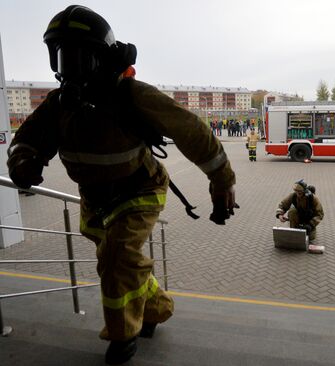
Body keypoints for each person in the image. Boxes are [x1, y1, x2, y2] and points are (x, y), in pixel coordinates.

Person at [6, 6, 236, 365]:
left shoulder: (131, 95)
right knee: (122, 261)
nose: (73, 68)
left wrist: (222, 182)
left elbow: (192, 130)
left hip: (140, 190)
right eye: (65, 57)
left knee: (115, 257)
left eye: (81, 57)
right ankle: (157, 307)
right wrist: (22, 161)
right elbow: (26, 139)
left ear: (101, 58)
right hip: (95, 200)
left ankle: (122, 334)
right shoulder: (57, 105)